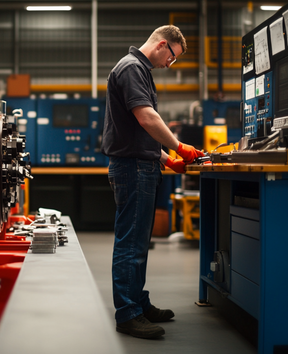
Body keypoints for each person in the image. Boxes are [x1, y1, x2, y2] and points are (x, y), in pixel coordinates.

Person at [101, 25, 204, 339]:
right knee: (131, 243)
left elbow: (138, 132)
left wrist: (164, 158)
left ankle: (138, 303)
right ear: (163, 45)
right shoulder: (132, 69)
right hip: (132, 169)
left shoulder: (139, 70)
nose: (169, 66)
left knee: (138, 243)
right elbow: (147, 118)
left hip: (140, 164)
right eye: (172, 58)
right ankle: (128, 314)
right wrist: (179, 147)